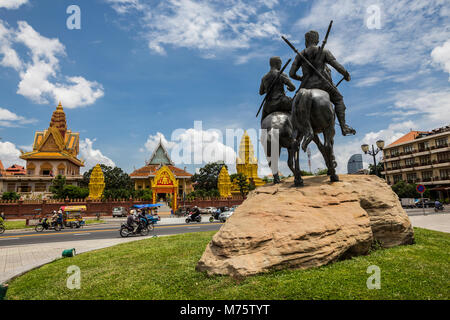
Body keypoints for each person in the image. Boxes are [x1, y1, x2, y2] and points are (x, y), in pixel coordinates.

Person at [289, 30, 356, 142]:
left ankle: (295, 129)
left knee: (294, 105)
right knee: (339, 99)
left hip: (306, 85)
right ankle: (344, 127)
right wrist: (346, 74)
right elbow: (337, 66)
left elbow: (291, 74)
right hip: (323, 84)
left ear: (306, 41)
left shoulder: (300, 55)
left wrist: (301, 78)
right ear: (317, 40)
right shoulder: (324, 51)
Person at [259, 56, 296, 121]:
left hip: (269, 106)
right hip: (281, 102)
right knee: (297, 105)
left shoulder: (264, 78)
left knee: (262, 120)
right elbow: (293, 87)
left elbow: (261, 92)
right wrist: (289, 88)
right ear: (277, 63)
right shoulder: (281, 74)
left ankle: (264, 131)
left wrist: (268, 88)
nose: (281, 65)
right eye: (280, 63)